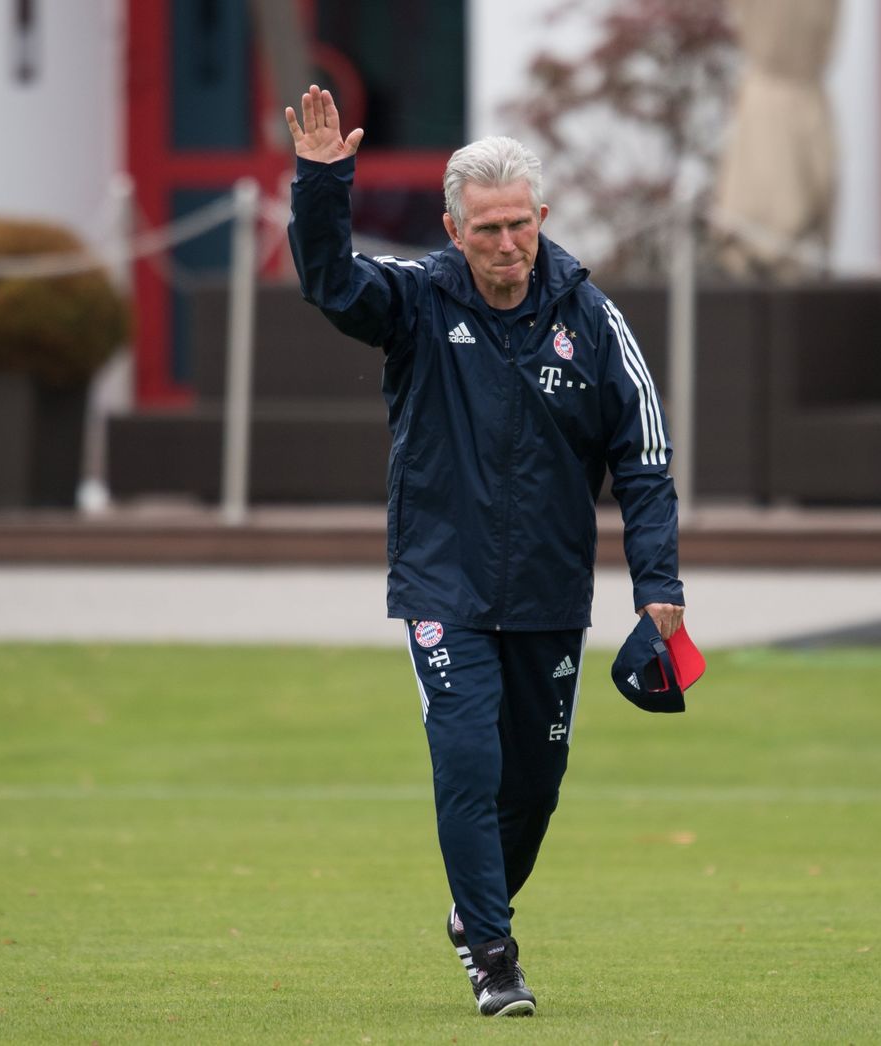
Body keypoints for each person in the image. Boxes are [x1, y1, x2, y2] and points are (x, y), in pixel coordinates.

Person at [285, 85, 685, 1018]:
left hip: (549, 591)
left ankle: (474, 911)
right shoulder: (416, 300)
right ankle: (494, 957)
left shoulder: (594, 321)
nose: (507, 244)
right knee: (466, 761)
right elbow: (332, 284)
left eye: (519, 225)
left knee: (534, 788)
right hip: (443, 583)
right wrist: (321, 184)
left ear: (542, 216)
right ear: (454, 230)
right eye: (487, 229)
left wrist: (659, 583)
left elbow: (645, 460)